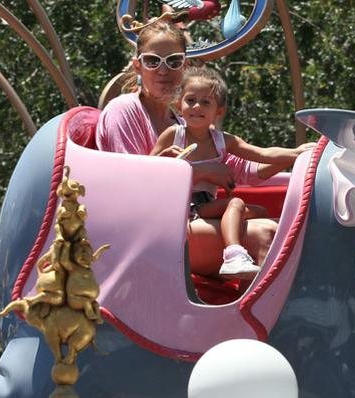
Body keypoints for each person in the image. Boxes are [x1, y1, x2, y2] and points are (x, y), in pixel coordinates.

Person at [96, 18, 302, 276]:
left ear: (185, 65)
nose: (163, 70)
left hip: (183, 223)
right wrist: (201, 173)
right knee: (267, 234)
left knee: (284, 226)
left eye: (173, 61)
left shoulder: (185, 123)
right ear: (138, 65)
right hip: (146, 234)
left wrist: (302, 155)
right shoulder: (124, 111)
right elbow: (131, 187)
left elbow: (250, 168)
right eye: (152, 61)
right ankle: (250, 316)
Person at [150, 66, 313, 279]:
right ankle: (233, 253)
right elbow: (147, 167)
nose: (197, 106)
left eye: (205, 102)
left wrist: (296, 153)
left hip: (205, 204)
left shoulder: (222, 141)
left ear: (218, 111)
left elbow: (262, 153)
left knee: (260, 212)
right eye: (190, 100)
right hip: (183, 207)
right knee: (235, 203)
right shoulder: (174, 135)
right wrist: (167, 163)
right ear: (179, 105)